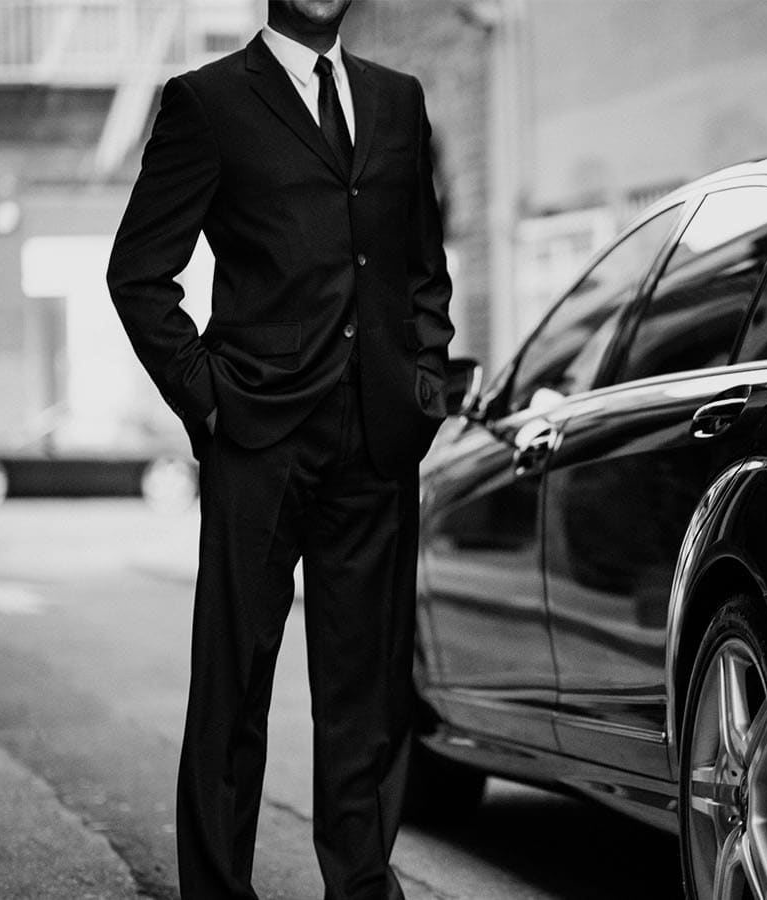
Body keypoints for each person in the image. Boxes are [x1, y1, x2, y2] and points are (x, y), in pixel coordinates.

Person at [106, 0, 453, 896]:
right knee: (233, 690)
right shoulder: (209, 101)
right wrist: (210, 403)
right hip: (259, 440)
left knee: (367, 695)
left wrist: (423, 381)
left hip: (377, 439)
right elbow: (139, 274)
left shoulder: (398, 101)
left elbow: (423, 266)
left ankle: (362, 884)